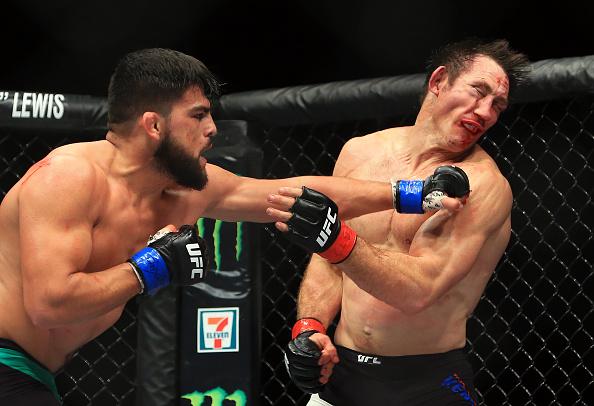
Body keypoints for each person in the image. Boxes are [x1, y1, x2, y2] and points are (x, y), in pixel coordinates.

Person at [0, 48, 450, 404]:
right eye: (198, 115)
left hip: (32, 371)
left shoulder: (186, 190)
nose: (213, 129)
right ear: (153, 125)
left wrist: (407, 193)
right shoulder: (70, 177)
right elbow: (48, 304)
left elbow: (293, 191)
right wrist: (148, 269)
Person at [272, 39, 530, 405]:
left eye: (497, 105)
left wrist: (334, 238)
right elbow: (328, 258)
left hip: (425, 383)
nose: (486, 111)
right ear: (439, 81)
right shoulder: (360, 152)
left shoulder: (483, 185)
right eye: (478, 91)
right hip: (340, 376)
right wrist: (310, 327)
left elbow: (419, 289)